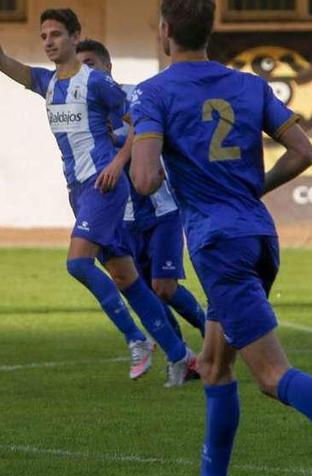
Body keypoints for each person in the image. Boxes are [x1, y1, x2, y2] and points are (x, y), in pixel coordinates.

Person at [129, 1, 312, 476]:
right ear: (208, 31)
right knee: (214, 367)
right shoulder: (250, 85)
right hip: (258, 236)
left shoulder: (152, 94)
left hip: (218, 247)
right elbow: (303, 151)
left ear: (165, 31)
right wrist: (254, 187)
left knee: (272, 375)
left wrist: (141, 149)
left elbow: (147, 178)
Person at [0, 0, 196, 387]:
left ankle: (136, 339)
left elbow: (137, 120)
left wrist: (117, 162)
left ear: (75, 38)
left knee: (77, 264)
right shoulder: (46, 83)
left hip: (104, 185)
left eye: (56, 34)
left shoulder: (95, 82)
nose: (48, 41)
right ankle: (181, 357)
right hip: (78, 189)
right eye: (43, 36)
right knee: (127, 279)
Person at [75, 39, 206, 340]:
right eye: (80, 67)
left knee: (165, 286)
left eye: (90, 64)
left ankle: (210, 330)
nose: (86, 72)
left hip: (160, 208)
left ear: (107, 67)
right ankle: (184, 358)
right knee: (146, 291)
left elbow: (151, 137)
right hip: (124, 216)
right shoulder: (85, 111)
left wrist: (118, 143)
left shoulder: (136, 96)